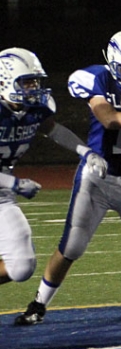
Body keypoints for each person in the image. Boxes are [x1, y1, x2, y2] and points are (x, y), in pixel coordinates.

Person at [14, 31, 121, 326]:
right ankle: (38, 303)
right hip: (100, 175)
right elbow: (109, 118)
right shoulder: (95, 78)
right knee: (73, 244)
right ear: (113, 63)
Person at [0, 48, 108, 300]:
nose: (33, 88)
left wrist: (86, 152)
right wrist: (15, 184)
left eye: (35, 81)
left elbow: (53, 130)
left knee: (22, 266)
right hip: (7, 184)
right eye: (26, 82)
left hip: (3, 191)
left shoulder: (34, 109)